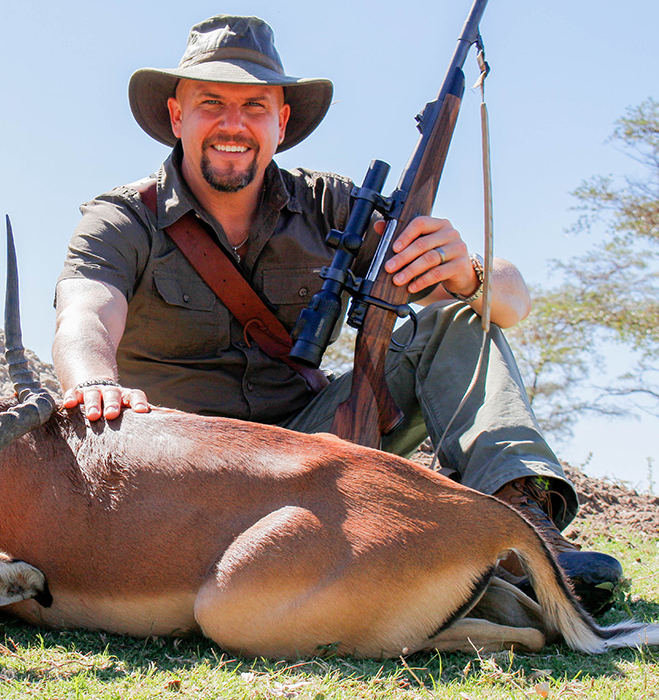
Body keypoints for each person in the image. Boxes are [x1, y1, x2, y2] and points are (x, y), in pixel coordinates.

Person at [52, 15, 622, 614]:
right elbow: (84, 312)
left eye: (255, 106)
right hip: (185, 476)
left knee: (456, 322)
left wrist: (468, 273)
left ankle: (524, 534)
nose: (233, 123)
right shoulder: (122, 218)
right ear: (176, 117)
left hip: (310, 448)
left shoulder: (333, 205)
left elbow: (514, 301)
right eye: (211, 102)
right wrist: (92, 380)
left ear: (282, 121)